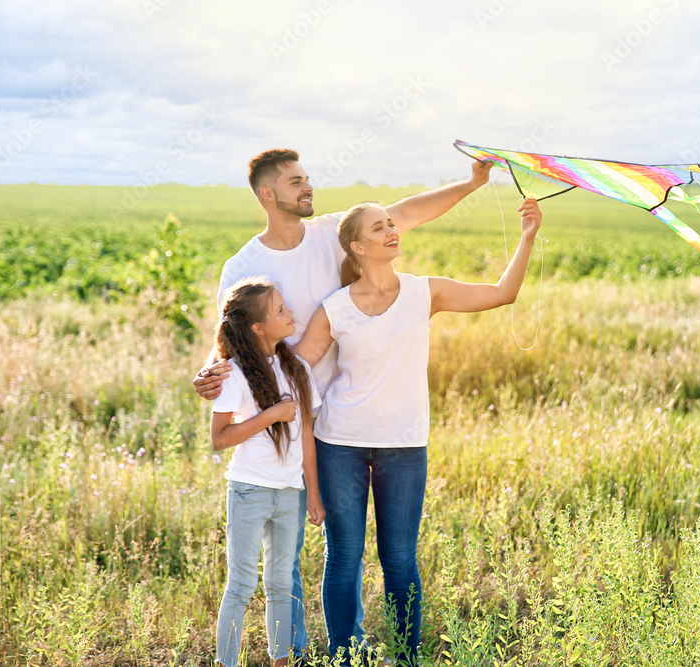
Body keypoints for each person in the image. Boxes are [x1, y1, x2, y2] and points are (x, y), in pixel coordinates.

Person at [194, 148, 493, 657]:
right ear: (268, 194)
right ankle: (295, 652)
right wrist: (208, 371)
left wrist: (472, 183)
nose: (307, 187)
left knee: (347, 552)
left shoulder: (330, 233)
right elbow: (230, 334)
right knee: (288, 557)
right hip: (283, 419)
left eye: (306, 178)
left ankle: (348, 650)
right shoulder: (244, 265)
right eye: (295, 182)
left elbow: (410, 210)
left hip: (341, 416)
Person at [295, 197, 543, 665]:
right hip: (339, 444)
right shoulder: (334, 308)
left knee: (400, 561)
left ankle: (405, 658)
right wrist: (232, 363)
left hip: (404, 448)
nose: (392, 231)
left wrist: (527, 238)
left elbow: (500, 293)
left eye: (392, 223)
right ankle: (344, 658)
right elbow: (295, 366)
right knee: (344, 556)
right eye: (379, 228)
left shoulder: (425, 292)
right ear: (356, 246)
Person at [211, 278, 324, 667]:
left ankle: (281, 661)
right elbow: (220, 438)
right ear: (257, 327)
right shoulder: (233, 373)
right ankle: (226, 662)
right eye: (280, 310)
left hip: (290, 493)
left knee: (282, 586)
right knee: (241, 586)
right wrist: (271, 415)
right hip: (249, 490)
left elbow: (306, 434)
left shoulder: (298, 368)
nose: (290, 313)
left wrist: (312, 492)